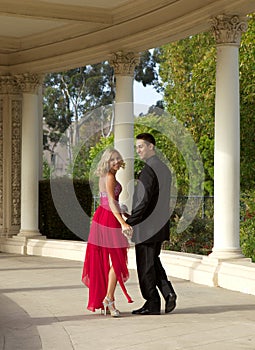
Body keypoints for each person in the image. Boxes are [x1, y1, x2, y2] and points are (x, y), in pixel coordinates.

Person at [126, 133, 177, 315]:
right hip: (160, 225)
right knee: (153, 262)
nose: (138, 150)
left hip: (147, 227)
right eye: (136, 147)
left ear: (151, 147)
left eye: (141, 146)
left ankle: (152, 303)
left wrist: (129, 221)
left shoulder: (149, 169)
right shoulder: (164, 168)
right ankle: (168, 292)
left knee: (145, 266)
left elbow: (143, 200)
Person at [82, 148, 133, 317]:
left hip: (103, 216)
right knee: (118, 260)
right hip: (108, 219)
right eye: (113, 160)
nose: (117, 162)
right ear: (107, 161)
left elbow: (108, 201)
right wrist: (123, 222)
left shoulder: (105, 176)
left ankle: (108, 299)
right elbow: (110, 202)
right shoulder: (110, 177)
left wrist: (123, 211)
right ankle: (109, 299)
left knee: (115, 260)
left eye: (118, 158)